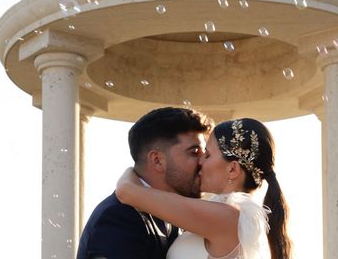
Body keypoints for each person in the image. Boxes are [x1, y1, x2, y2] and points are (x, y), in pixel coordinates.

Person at [116, 118, 293, 259]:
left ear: (232, 169)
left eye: (207, 154)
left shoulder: (228, 217)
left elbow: (126, 191)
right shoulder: (229, 216)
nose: (200, 161)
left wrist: (132, 169)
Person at [76, 107, 213, 259]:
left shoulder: (172, 215)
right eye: (194, 153)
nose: (204, 162)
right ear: (157, 160)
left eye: (205, 154)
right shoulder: (119, 217)